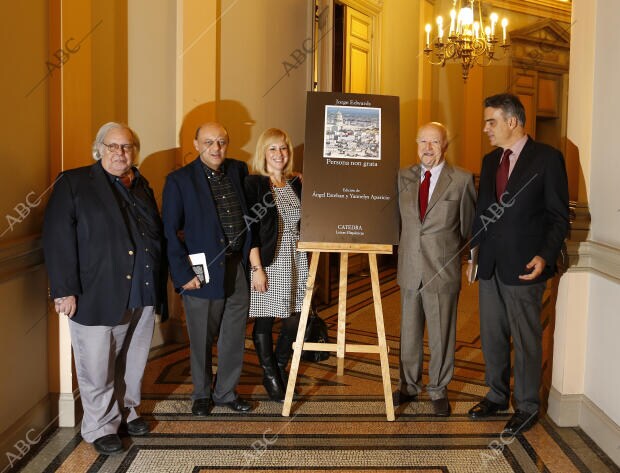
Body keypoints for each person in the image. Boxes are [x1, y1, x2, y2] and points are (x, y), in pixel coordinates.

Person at [43, 122, 167, 455]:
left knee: (133, 360)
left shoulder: (141, 185)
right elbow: (57, 237)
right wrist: (64, 289)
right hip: (95, 292)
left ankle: (126, 411)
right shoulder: (74, 182)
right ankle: (99, 425)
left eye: (126, 146)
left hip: (141, 291)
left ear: (134, 151)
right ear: (99, 149)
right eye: (112, 146)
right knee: (97, 364)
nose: (120, 153)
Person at [467, 93, 569, 433]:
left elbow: (558, 216)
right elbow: (483, 212)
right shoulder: (488, 161)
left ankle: (526, 406)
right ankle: (496, 396)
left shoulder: (547, 159)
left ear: (513, 121)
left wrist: (545, 255)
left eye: (490, 121)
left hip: (527, 265)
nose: (485, 129)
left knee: (526, 339)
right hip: (491, 264)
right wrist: (474, 255)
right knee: (492, 335)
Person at [162, 122, 253, 416]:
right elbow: (169, 231)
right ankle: (201, 394)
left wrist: (295, 180)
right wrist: (182, 274)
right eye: (209, 142)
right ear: (196, 143)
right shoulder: (179, 181)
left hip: (237, 266)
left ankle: (226, 392)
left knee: (234, 334)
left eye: (222, 142)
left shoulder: (238, 170)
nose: (216, 148)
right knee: (201, 336)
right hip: (202, 271)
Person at [394, 122, 476, 416]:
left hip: (443, 271)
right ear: (416, 144)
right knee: (409, 332)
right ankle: (408, 385)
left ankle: (439, 389)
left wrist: (469, 262)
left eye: (434, 142)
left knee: (442, 334)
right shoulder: (402, 176)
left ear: (445, 146)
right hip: (410, 268)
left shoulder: (462, 180)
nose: (427, 148)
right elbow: (397, 222)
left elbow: (469, 228)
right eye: (422, 142)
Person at [243, 128, 307, 402]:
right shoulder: (255, 184)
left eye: (283, 148)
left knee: (296, 316)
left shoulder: (295, 184)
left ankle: (280, 365)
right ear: (263, 153)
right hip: (269, 259)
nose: (279, 154)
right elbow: (250, 231)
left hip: (296, 258)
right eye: (273, 148)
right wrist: (257, 269)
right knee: (266, 318)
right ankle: (269, 373)